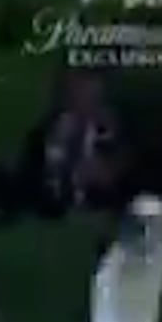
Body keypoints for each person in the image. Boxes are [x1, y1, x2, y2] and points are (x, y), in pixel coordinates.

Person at [18, 67, 132, 216]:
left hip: (95, 200)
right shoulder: (55, 127)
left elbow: (118, 164)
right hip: (53, 201)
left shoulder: (107, 125)